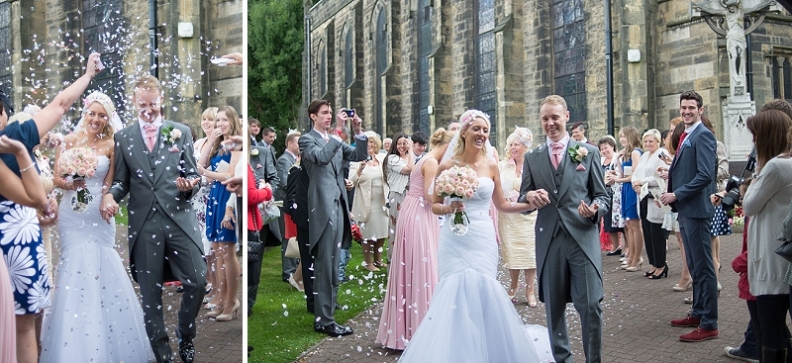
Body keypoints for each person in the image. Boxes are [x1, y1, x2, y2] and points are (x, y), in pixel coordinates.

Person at [399, 110, 546, 362]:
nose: (481, 134)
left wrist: (530, 203)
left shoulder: (491, 164)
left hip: (481, 236)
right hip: (454, 239)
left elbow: (502, 205)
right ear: (464, 132)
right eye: (476, 129)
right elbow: (434, 203)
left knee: (483, 289)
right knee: (453, 291)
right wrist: (448, 208)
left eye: (485, 130)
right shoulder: (447, 164)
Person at [1, 53, 102, 363]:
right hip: (17, 239)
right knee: (22, 327)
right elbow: (34, 197)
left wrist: (86, 77)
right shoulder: (13, 141)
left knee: (25, 324)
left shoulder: (14, 135)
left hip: (23, 239)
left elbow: (60, 104)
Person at [40, 91, 154, 362]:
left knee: (103, 265)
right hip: (72, 214)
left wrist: (107, 199)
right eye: (92, 113)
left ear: (107, 118)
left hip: (97, 215)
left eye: (101, 115)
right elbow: (55, 177)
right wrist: (71, 182)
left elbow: (108, 183)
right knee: (74, 266)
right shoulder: (68, 140)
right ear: (85, 113)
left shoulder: (112, 145)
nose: (96, 119)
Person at [102, 74, 206, 363]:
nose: (148, 109)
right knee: (150, 298)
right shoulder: (123, 138)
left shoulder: (180, 132)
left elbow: (194, 174)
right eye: (142, 104)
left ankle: (185, 332)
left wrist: (190, 185)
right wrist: (111, 195)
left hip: (179, 219)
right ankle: (162, 354)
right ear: (135, 102)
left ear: (161, 101)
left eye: (153, 103)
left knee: (197, 280)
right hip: (144, 224)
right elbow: (121, 181)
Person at [520, 95, 610, 363]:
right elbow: (523, 201)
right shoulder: (532, 157)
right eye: (545, 118)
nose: (550, 123)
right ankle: (563, 360)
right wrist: (529, 199)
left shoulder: (588, 152)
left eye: (554, 117)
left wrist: (595, 209)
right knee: (554, 309)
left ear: (566, 117)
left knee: (591, 305)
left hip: (582, 238)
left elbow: (602, 196)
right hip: (549, 241)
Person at [376, 127, 453, 350]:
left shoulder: (426, 159)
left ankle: (405, 331)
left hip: (414, 211)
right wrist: (453, 194)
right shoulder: (430, 163)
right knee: (422, 267)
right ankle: (420, 331)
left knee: (411, 267)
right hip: (420, 213)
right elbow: (430, 197)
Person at [299, 99, 368, 336]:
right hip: (322, 206)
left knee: (335, 261)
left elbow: (360, 154)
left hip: (339, 205)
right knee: (325, 264)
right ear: (313, 116)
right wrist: (339, 132)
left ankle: (328, 316)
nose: (329, 116)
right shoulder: (307, 140)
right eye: (325, 113)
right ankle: (323, 320)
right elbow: (321, 158)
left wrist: (358, 130)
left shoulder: (335, 140)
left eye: (330, 113)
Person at [660, 90, 719, 343]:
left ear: (701, 110)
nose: (686, 111)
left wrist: (677, 194)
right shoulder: (687, 135)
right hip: (687, 209)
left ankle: (709, 323)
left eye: (691, 108)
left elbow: (705, 175)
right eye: (683, 107)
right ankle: (697, 312)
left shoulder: (703, 135)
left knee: (703, 267)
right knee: (694, 265)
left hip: (696, 210)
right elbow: (688, 168)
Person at [742, 109, 792, 362]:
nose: (753, 141)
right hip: (782, 259)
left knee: (770, 332)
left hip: (771, 263)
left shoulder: (775, 166)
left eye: (756, 135)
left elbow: (749, 205)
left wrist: (758, 169)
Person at [0, 135, 49, 363]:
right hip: (21, 234)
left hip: (30, 231)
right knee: (24, 321)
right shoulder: (16, 147)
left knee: (28, 316)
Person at [197, 106, 242, 322]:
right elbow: (201, 163)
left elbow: (231, 174)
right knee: (216, 251)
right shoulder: (219, 143)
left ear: (232, 121)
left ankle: (231, 301)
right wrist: (212, 138)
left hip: (226, 196)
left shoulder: (236, 143)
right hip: (214, 196)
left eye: (224, 120)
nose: (221, 124)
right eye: (218, 121)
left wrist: (207, 174)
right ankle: (222, 299)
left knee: (226, 251)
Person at [498, 127, 539, 307]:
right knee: (512, 252)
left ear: (525, 146)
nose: (514, 147)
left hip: (529, 216)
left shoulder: (533, 165)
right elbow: (496, 186)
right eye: (511, 144)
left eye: (517, 144)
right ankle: (513, 286)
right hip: (508, 216)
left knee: (529, 253)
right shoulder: (502, 165)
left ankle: (530, 291)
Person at [631, 129, 670, 279]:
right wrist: (635, 182)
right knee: (646, 230)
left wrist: (642, 182)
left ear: (658, 142)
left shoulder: (661, 154)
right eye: (646, 141)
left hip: (655, 196)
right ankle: (653, 263)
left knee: (656, 232)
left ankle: (661, 264)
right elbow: (636, 172)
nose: (648, 144)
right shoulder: (645, 155)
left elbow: (661, 176)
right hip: (642, 195)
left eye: (651, 141)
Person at [349, 131, 389, 271]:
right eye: (367, 143)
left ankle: (378, 260)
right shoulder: (356, 161)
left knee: (381, 233)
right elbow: (351, 182)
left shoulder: (382, 159)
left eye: (372, 143)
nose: (370, 145)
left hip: (381, 201)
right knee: (368, 235)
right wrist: (359, 170)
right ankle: (368, 262)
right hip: (366, 202)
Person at [194, 107, 219, 310]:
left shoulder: (219, 144)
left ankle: (215, 286)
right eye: (204, 119)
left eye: (210, 120)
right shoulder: (197, 143)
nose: (206, 123)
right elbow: (193, 167)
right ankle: (207, 281)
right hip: (196, 199)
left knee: (211, 245)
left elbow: (207, 169)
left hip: (212, 196)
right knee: (201, 245)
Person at [615, 125, 644, 272]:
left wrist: (618, 180)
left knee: (635, 225)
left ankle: (637, 257)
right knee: (629, 225)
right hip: (626, 188)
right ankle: (631, 256)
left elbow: (635, 174)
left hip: (632, 188)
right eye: (620, 137)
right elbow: (622, 172)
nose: (621, 139)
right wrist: (618, 159)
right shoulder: (627, 153)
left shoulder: (635, 153)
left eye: (624, 136)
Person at [276, 131, 301, 289]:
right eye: (298, 143)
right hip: (288, 204)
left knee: (295, 237)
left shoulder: (295, 159)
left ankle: (296, 269)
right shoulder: (284, 161)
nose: (300, 146)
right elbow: (285, 182)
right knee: (289, 238)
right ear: (290, 143)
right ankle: (289, 271)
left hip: (297, 204)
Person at [383, 133, 414, 257]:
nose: (402, 146)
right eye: (399, 143)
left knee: (409, 230)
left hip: (410, 196)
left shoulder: (409, 157)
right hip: (397, 196)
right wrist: (411, 150)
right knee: (397, 230)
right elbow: (408, 169)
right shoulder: (392, 158)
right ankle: (394, 265)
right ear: (395, 145)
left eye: (404, 143)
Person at [599, 136, 625, 257]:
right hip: (605, 195)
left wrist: (615, 177)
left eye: (606, 148)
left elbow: (622, 173)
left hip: (617, 193)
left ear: (612, 146)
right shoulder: (601, 160)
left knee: (621, 222)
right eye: (602, 149)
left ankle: (626, 247)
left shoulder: (617, 158)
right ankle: (615, 246)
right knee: (608, 222)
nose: (604, 151)